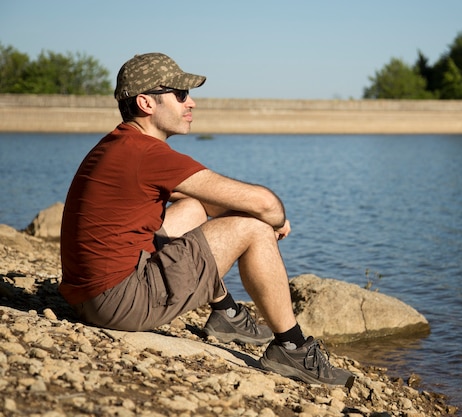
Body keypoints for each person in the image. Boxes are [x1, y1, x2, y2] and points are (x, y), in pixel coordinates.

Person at [59, 52, 354, 387]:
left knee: (194, 208)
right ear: (145, 103)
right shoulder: (147, 153)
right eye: (181, 94)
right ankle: (293, 348)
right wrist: (267, 221)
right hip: (118, 302)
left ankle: (227, 314)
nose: (192, 103)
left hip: (89, 296)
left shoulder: (119, 144)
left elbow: (203, 200)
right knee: (255, 228)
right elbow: (267, 204)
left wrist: (235, 215)